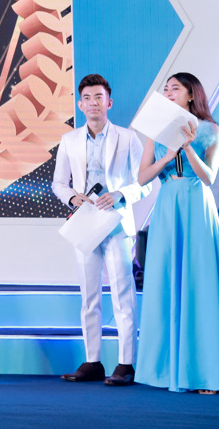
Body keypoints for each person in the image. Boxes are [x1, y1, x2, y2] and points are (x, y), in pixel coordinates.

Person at [135, 72, 219, 394]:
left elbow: (209, 177)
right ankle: (165, 371)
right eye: (166, 88)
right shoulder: (155, 132)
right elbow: (142, 178)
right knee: (167, 280)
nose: (169, 92)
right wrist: (168, 156)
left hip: (197, 203)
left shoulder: (210, 130)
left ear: (191, 95)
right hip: (168, 204)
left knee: (200, 282)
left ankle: (206, 374)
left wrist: (188, 148)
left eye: (175, 88)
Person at [51, 74, 145, 386]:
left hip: (116, 223)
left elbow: (145, 182)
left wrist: (120, 194)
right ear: (80, 104)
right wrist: (72, 197)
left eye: (98, 97)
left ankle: (126, 363)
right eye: (87, 98)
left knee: (122, 294)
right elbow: (58, 183)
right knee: (89, 296)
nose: (93, 103)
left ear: (109, 102)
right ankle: (93, 362)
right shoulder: (69, 140)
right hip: (85, 224)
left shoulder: (128, 138)